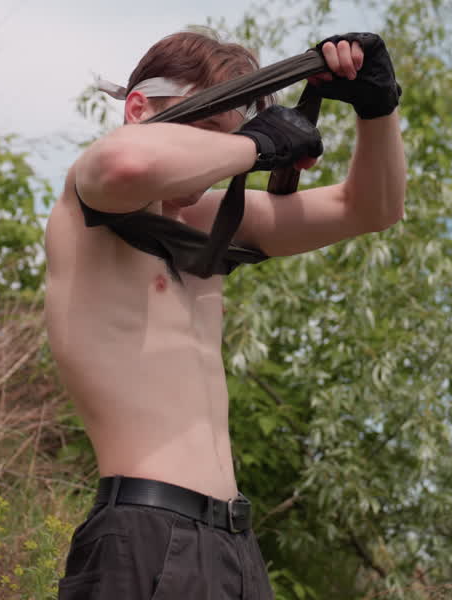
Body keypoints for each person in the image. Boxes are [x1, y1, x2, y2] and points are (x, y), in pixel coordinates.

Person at [44, 29, 405, 599]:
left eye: (230, 138)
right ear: (139, 108)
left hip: (234, 547)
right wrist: (258, 145)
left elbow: (371, 208)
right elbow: (123, 167)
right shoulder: (90, 192)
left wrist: (378, 106)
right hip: (143, 531)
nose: (220, 159)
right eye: (209, 132)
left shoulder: (213, 218)